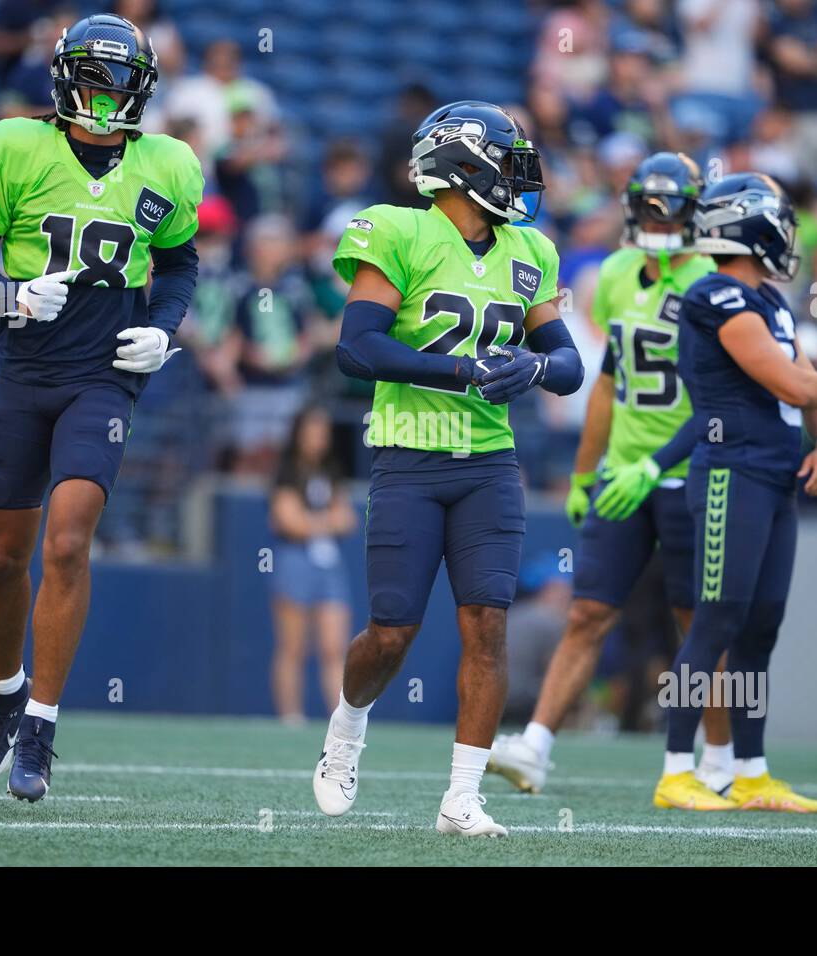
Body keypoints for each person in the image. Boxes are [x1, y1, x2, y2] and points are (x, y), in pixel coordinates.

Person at [0, 12, 203, 802]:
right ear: (62, 79)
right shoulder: (14, 148)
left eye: (120, 81)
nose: (105, 94)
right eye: (93, 77)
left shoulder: (169, 164)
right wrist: (11, 293)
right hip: (23, 368)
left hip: (103, 374)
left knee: (68, 541)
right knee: (5, 556)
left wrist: (162, 329)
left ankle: (42, 728)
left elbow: (182, 263)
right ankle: (3, 693)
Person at [314, 101, 583, 837]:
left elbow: (569, 366)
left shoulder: (531, 252)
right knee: (392, 632)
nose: (522, 178)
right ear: (464, 167)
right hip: (409, 455)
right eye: (507, 160)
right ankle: (348, 722)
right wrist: (461, 370)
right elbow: (358, 347)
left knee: (487, 625)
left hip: (490, 466)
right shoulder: (398, 229)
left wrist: (531, 366)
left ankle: (462, 797)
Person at [487, 152, 736, 796]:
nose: (657, 217)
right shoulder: (619, 272)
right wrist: (581, 473)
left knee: (696, 621)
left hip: (691, 474)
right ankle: (537, 745)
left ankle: (720, 759)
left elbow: (720, 401)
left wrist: (658, 464)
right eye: (648, 205)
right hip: (623, 475)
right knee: (588, 613)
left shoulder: (713, 279)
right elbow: (607, 383)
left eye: (670, 206)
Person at [643, 173, 817, 811]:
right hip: (730, 474)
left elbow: (805, 383)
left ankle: (751, 770)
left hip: (774, 478)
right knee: (715, 621)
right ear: (750, 227)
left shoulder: (769, 299)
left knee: (760, 628)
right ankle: (676, 770)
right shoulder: (714, 296)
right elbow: (799, 385)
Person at [268, 405, 357, 725]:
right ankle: (291, 716)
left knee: (334, 646)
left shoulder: (331, 471)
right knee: (293, 647)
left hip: (329, 563)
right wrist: (326, 521)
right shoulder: (286, 471)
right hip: (295, 561)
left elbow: (347, 519)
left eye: (324, 432)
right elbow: (288, 521)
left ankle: (340, 721)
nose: (320, 438)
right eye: (313, 431)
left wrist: (313, 522)